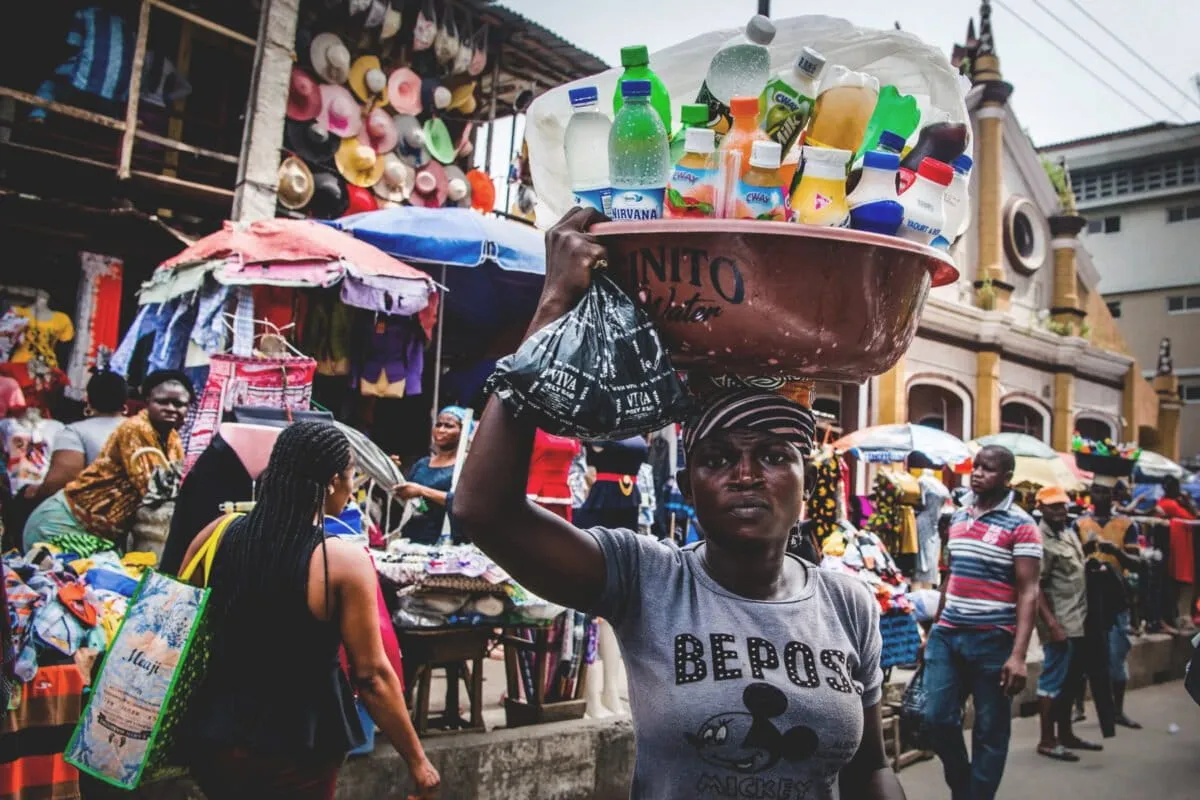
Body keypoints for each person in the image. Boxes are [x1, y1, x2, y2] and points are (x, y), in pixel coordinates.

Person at [452, 207, 905, 800]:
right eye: (717, 459)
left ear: (804, 478)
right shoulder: (649, 581)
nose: (745, 475)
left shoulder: (848, 605)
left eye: (772, 455)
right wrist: (554, 306)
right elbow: (484, 510)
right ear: (689, 486)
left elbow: (868, 768)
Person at [180, 421, 439, 799]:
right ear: (334, 481)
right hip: (298, 743)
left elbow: (180, 626)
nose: (352, 490)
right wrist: (419, 762)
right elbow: (371, 676)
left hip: (214, 736)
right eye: (352, 477)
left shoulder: (216, 533)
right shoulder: (340, 561)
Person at [922, 444, 1041, 800]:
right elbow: (949, 577)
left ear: (1007, 478)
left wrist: (1018, 656)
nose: (977, 473)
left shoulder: (1022, 525)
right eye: (976, 466)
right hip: (948, 634)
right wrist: (933, 629)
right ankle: (964, 788)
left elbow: (1029, 591)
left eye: (987, 469)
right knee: (936, 718)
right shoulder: (958, 517)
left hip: (992, 638)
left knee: (990, 730)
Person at [21, 371, 191, 551]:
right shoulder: (134, 429)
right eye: (163, 402)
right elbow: (150, 487)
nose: (171, 409)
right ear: (147, 401)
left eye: (179, 404)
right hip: (66, 525)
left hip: (102, 535)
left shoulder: (172, 439)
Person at [1034, 486, 1103, 761]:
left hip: (1079, 619)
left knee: (1070, 681)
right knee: (1052, 680)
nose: (1060, 511)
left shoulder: (1067, 531)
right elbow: (1035, 587)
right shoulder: (1040, 539)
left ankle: (1066, 734)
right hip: (1059, 622)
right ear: (1041, 508)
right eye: (1053, 506)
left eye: (1062, 505)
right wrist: (1052, 624)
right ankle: (1046, 740)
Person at [1075, 475, 1143, 729]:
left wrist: (1114, 551)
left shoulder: (1127, 524)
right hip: (1086, 594)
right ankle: (1078, 707)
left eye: (1104, 492)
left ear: (1112, 495)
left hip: (1116, 595)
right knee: (1081, 654)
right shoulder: (1079, 523)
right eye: (1095, 491)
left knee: (1116, 653)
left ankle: (1117, 710)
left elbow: (1137, 562)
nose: (1099, 496)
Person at [32, 370, 128, 501]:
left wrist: (35, 492)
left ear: (88, 399)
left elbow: (57, 485)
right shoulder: (144, 430)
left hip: (95, 510)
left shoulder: (76, 432)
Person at [396, 407, 466, 545]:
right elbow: (403, 496)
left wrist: (421, 491)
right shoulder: (422, 464)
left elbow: (463, 502)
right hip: (414, 539)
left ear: (463, 432)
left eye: (449, 426)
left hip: (448, 541)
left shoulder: (466, 465)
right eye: (438, 425)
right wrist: (393, 472)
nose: (441, 430)